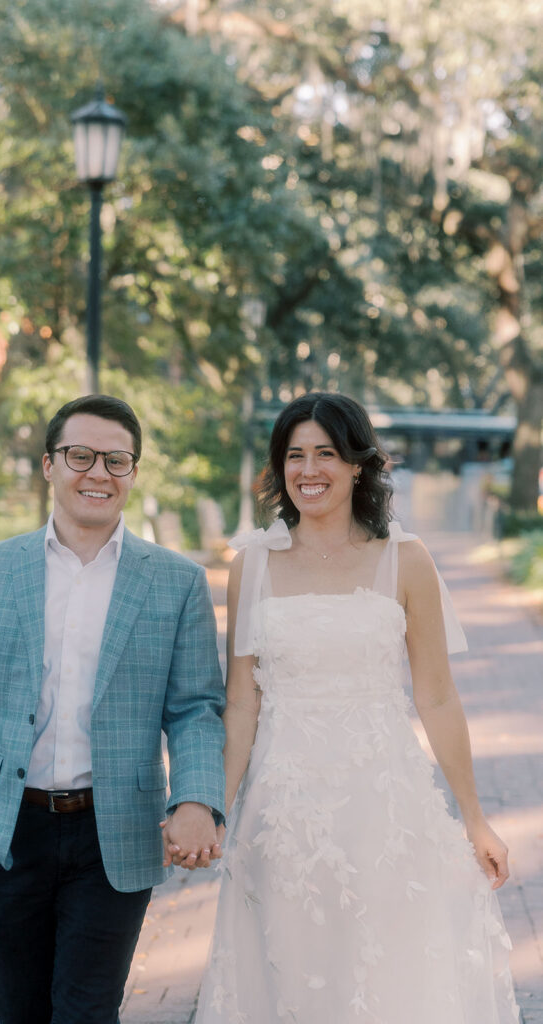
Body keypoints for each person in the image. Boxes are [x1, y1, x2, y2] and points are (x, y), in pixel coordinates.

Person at [195, 392, 519, 1023]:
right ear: (278, 469)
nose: (309, 470)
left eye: (326, 453)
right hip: (282, 814)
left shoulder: (405, 558)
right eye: (295, 456)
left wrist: (475, 819)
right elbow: (241, 704)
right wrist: (213, 809)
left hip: (385, 808)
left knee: (387, 979)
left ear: (358, 465)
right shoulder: (252, 565)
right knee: (294, 980)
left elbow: (437, 696)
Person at [0, 394, 226, 1024]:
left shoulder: (176, 582)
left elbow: (197, 708)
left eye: (116, 460)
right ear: (49, 465)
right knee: (17, 1009)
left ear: (133, 473)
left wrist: (196, 799)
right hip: (8, 829)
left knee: (86, 1010)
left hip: (115, 830)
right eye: (81, 456)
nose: (98, 473)